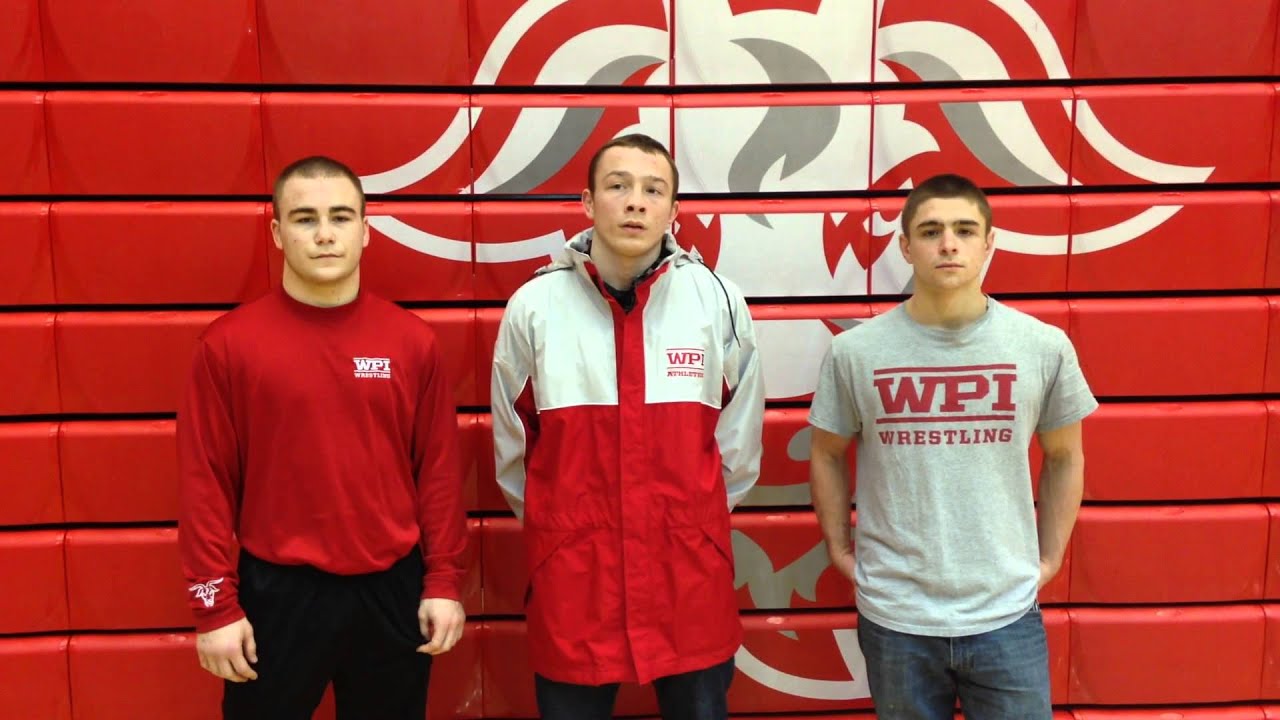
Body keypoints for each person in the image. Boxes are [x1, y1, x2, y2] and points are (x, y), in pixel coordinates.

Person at [177, 156, 467, 719]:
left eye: (340, 216)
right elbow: (205, 482)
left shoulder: (411, 342)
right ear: (277, 233)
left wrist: (445, 581)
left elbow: (437, 472)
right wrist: (213, 607)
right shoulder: (228, 346)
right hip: (277, 595)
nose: (325, 234)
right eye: (305, 218)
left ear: (365, 230)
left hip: (392, 590)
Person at [489, 133, 765, 720]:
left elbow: (737, 453)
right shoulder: (534, 307)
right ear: (588, 203)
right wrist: (565, 532)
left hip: (689, 580)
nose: (635, 201)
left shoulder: (717, 301)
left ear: (673, 209)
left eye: (652, 189)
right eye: (618, 186)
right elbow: (515, 460)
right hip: (575, 585)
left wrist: (689, 522)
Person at [808, 174, 1096, 719]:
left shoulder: (1041, 346)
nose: (948, 244)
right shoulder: (856, 352)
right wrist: (839, 549)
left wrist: (1051, 558)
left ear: (989, 242)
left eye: (965, 230)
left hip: (1006, 613)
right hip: (897, 617)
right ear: (904, 245)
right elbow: (825, 452)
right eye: (931, 230)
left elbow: (1065, 456)